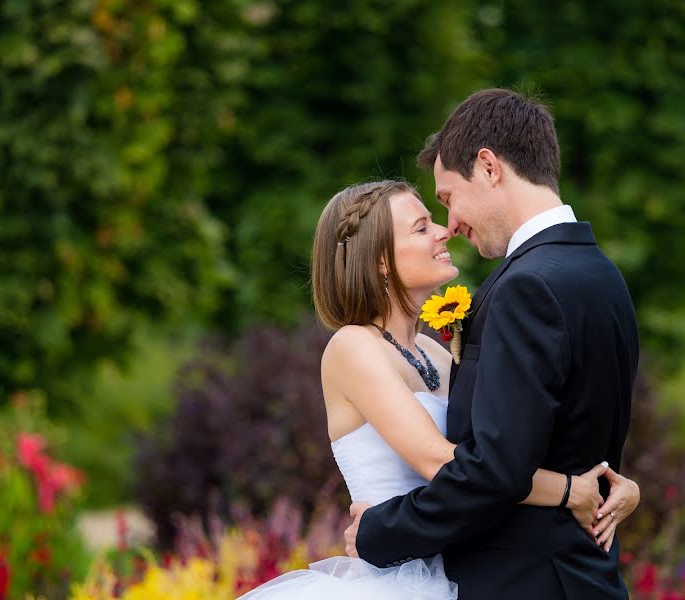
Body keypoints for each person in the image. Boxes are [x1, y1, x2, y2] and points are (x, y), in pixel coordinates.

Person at [238, 178, 639, 599]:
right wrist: (571, 490)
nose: (444, 231)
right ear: (380, 261)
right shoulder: (352, 347)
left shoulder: (434, 349)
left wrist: (613, 486)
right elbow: (441, 461)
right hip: (394, 577)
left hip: (454, 568)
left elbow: (502, 447)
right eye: (421, 227)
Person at [345, 89, 641, 599]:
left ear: (488, 167)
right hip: (585, 575)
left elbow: (496, 471)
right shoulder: (602, 274)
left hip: (524, 581)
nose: (452, 224)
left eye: (448, 198)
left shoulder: (526, 287)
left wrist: (378, 532)